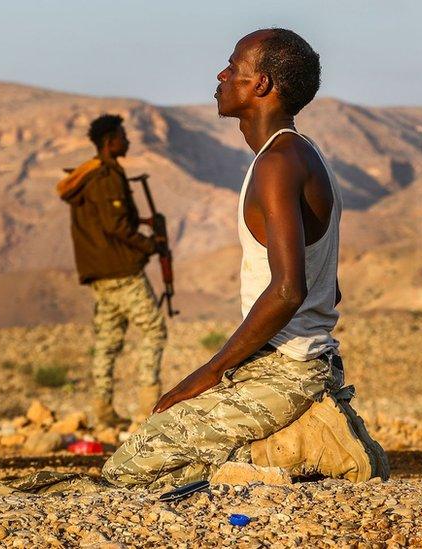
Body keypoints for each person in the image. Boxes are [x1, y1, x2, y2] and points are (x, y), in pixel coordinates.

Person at [101, 28, 388, 489]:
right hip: (284, 362)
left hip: (288, 370)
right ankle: (298, 437)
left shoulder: (279, 163)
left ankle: (313, 446)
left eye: (234, 67)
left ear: (262, 85)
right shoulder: (298, 155)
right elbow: (327, 287)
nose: (221, 75)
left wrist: (208, 373)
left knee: (131, 469)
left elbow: (289, 289)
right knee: (169, 460)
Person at [56, 114, 167, 427]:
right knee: (154, 330)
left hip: (100, 274)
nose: (127, 141)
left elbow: (110, 222)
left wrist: (143, 224)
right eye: (122, 136)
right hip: (121, 272)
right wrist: (150, 245)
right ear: (109, 142)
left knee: (108, 339)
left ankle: (103, 411)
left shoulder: (88, 176)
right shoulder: (106, 177)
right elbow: (115, 225)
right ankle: (149, 407)